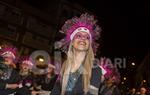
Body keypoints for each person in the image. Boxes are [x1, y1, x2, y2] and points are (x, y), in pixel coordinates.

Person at [51, 13, 102, 95]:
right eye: (79, 36)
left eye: (87, 37)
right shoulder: (64, 66)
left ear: (89, 44)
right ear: (71, 42)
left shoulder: (95, 70)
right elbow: (55, 92)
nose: (83, 38)